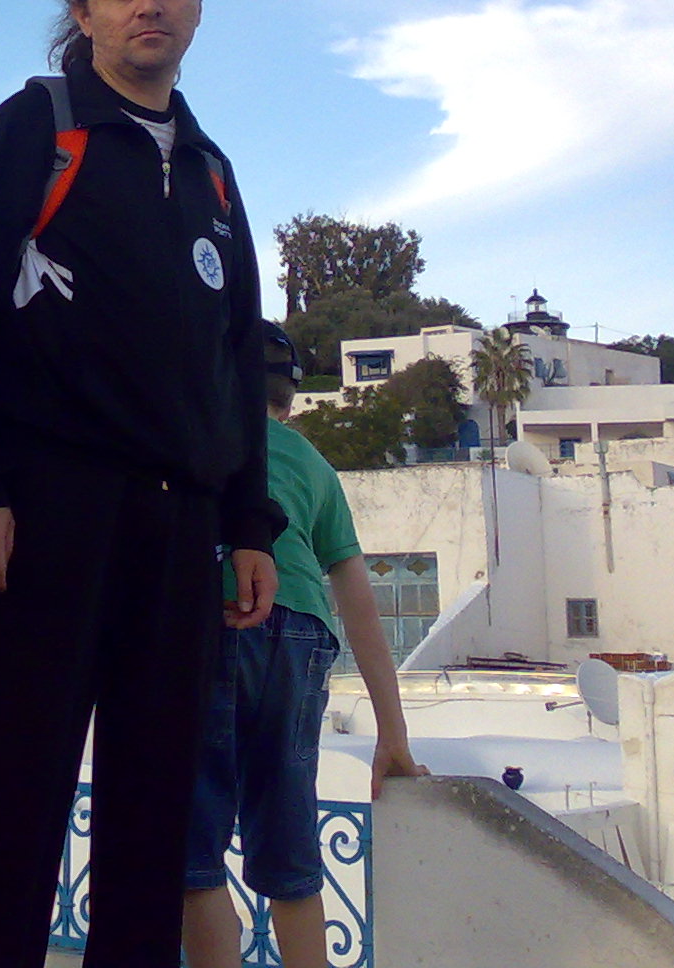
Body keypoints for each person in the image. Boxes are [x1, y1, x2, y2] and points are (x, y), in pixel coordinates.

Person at [0, 0, 286, 968]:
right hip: (41, 515)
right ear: (82, 13)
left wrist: (248, 524)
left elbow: (235, 357)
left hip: (178, 528)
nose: (147, 5)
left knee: (155, 815)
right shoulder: (37, 129)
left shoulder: (212, 170)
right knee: (9, 797)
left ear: (199, 3)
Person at [180, 323, 425, 968]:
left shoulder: (202, 436)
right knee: (290, 849)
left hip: (220, 616)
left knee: (193, 853)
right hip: (303, 639)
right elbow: (360, 605)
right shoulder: (317, 468)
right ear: (288, 402)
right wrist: (392, 733)